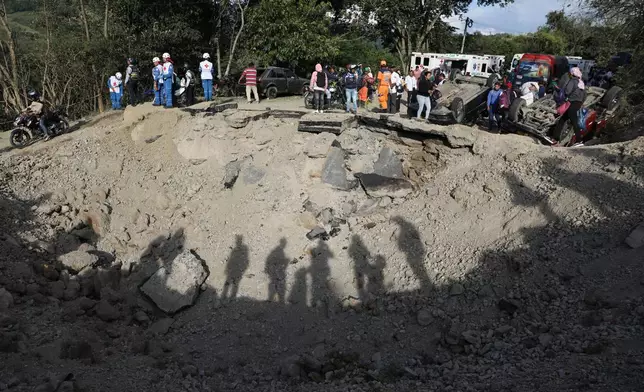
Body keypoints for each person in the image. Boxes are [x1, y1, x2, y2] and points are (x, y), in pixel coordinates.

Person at [559, 66, 587, 145]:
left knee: (574, 121)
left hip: (572, 103)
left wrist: (564, 93)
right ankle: (555, 137)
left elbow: (567, 91)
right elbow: (585, 95)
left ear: (572, 73)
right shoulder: (581, 83)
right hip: (578, 103)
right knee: (563, 119)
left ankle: (579, 140)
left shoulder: (573, 81)